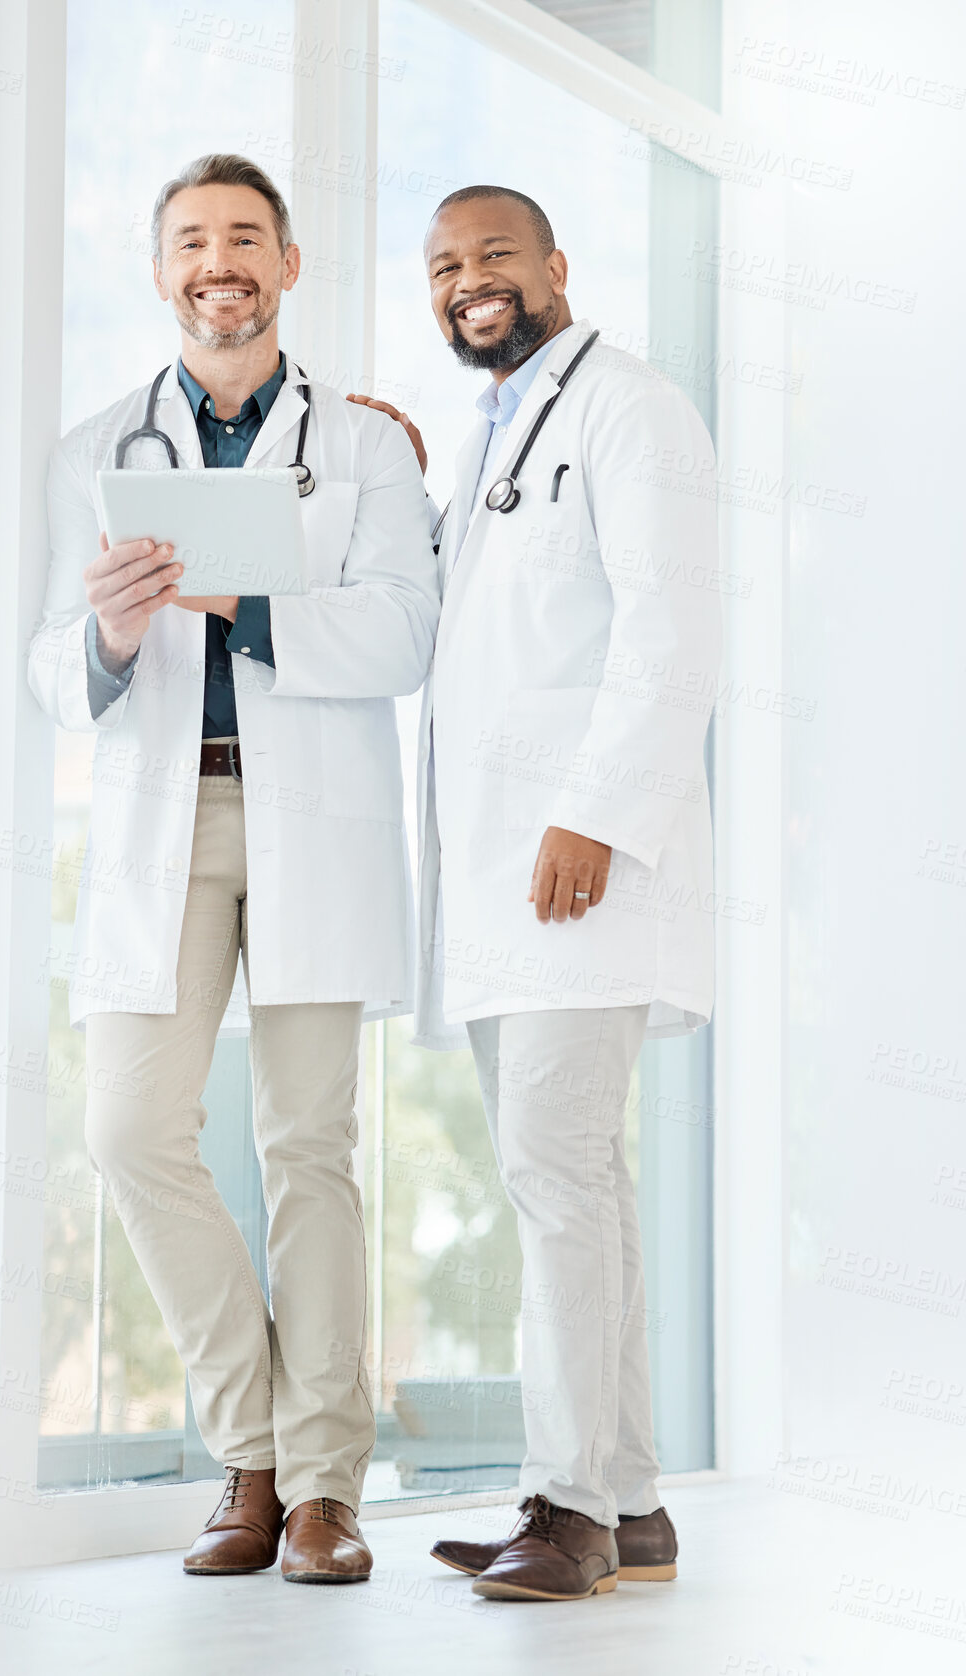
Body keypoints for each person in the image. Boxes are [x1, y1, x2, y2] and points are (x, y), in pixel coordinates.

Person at [28, 153, 439, 1585]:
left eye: (248, 238)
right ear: (160, 272)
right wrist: (113, 637)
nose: (223, 262)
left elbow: (403, 638)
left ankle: (323, 1489)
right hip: (165, 815)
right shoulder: (97, 450)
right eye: (194, 241)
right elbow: (42, 664)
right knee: (132, 1131)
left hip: (311, 812)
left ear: (289, 263)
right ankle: (254, 1448)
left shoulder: (370, 449)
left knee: (306, 1146)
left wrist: (242, 607)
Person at [350, 184, 721, 1602]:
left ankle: (563, 1502)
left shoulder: (630, 407)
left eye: (494, 255)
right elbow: (486, 632)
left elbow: (671, 629)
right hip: (511, 882)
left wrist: (593, 814)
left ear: (555, 267)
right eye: (444, 265)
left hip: (579, 868)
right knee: (581, 1184)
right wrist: (408, 478)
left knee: (557, 1180)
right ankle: (626, 1505)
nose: (469, 282)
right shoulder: (504, 435)